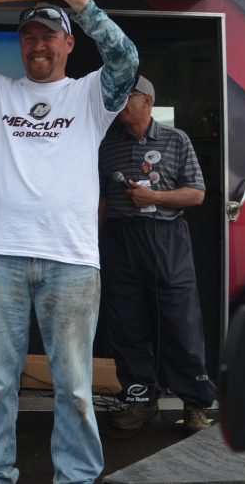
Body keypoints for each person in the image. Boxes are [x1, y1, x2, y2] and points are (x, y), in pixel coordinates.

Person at [0, 0, 139, 484]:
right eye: (30, 37)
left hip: (71, 260)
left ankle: (77, 477)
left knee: (74, 387)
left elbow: (126, 61)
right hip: (2, 255)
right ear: (20, 45)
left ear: (69, 43)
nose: (38, 45)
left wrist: (84, 6)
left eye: (49, 36)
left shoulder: (91, 95)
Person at [98, 75, 215, 432]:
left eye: (126, 96)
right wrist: (93, 242)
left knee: (181, 322)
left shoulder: (175, 139)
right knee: (127, 323)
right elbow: (101, 200)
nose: (118, 102)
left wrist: (156, 197)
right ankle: (140, 401)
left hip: (166, 237)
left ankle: (194, 404)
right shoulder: (107, 144)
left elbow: (196, 193)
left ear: (147, 101)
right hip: (121, 238)